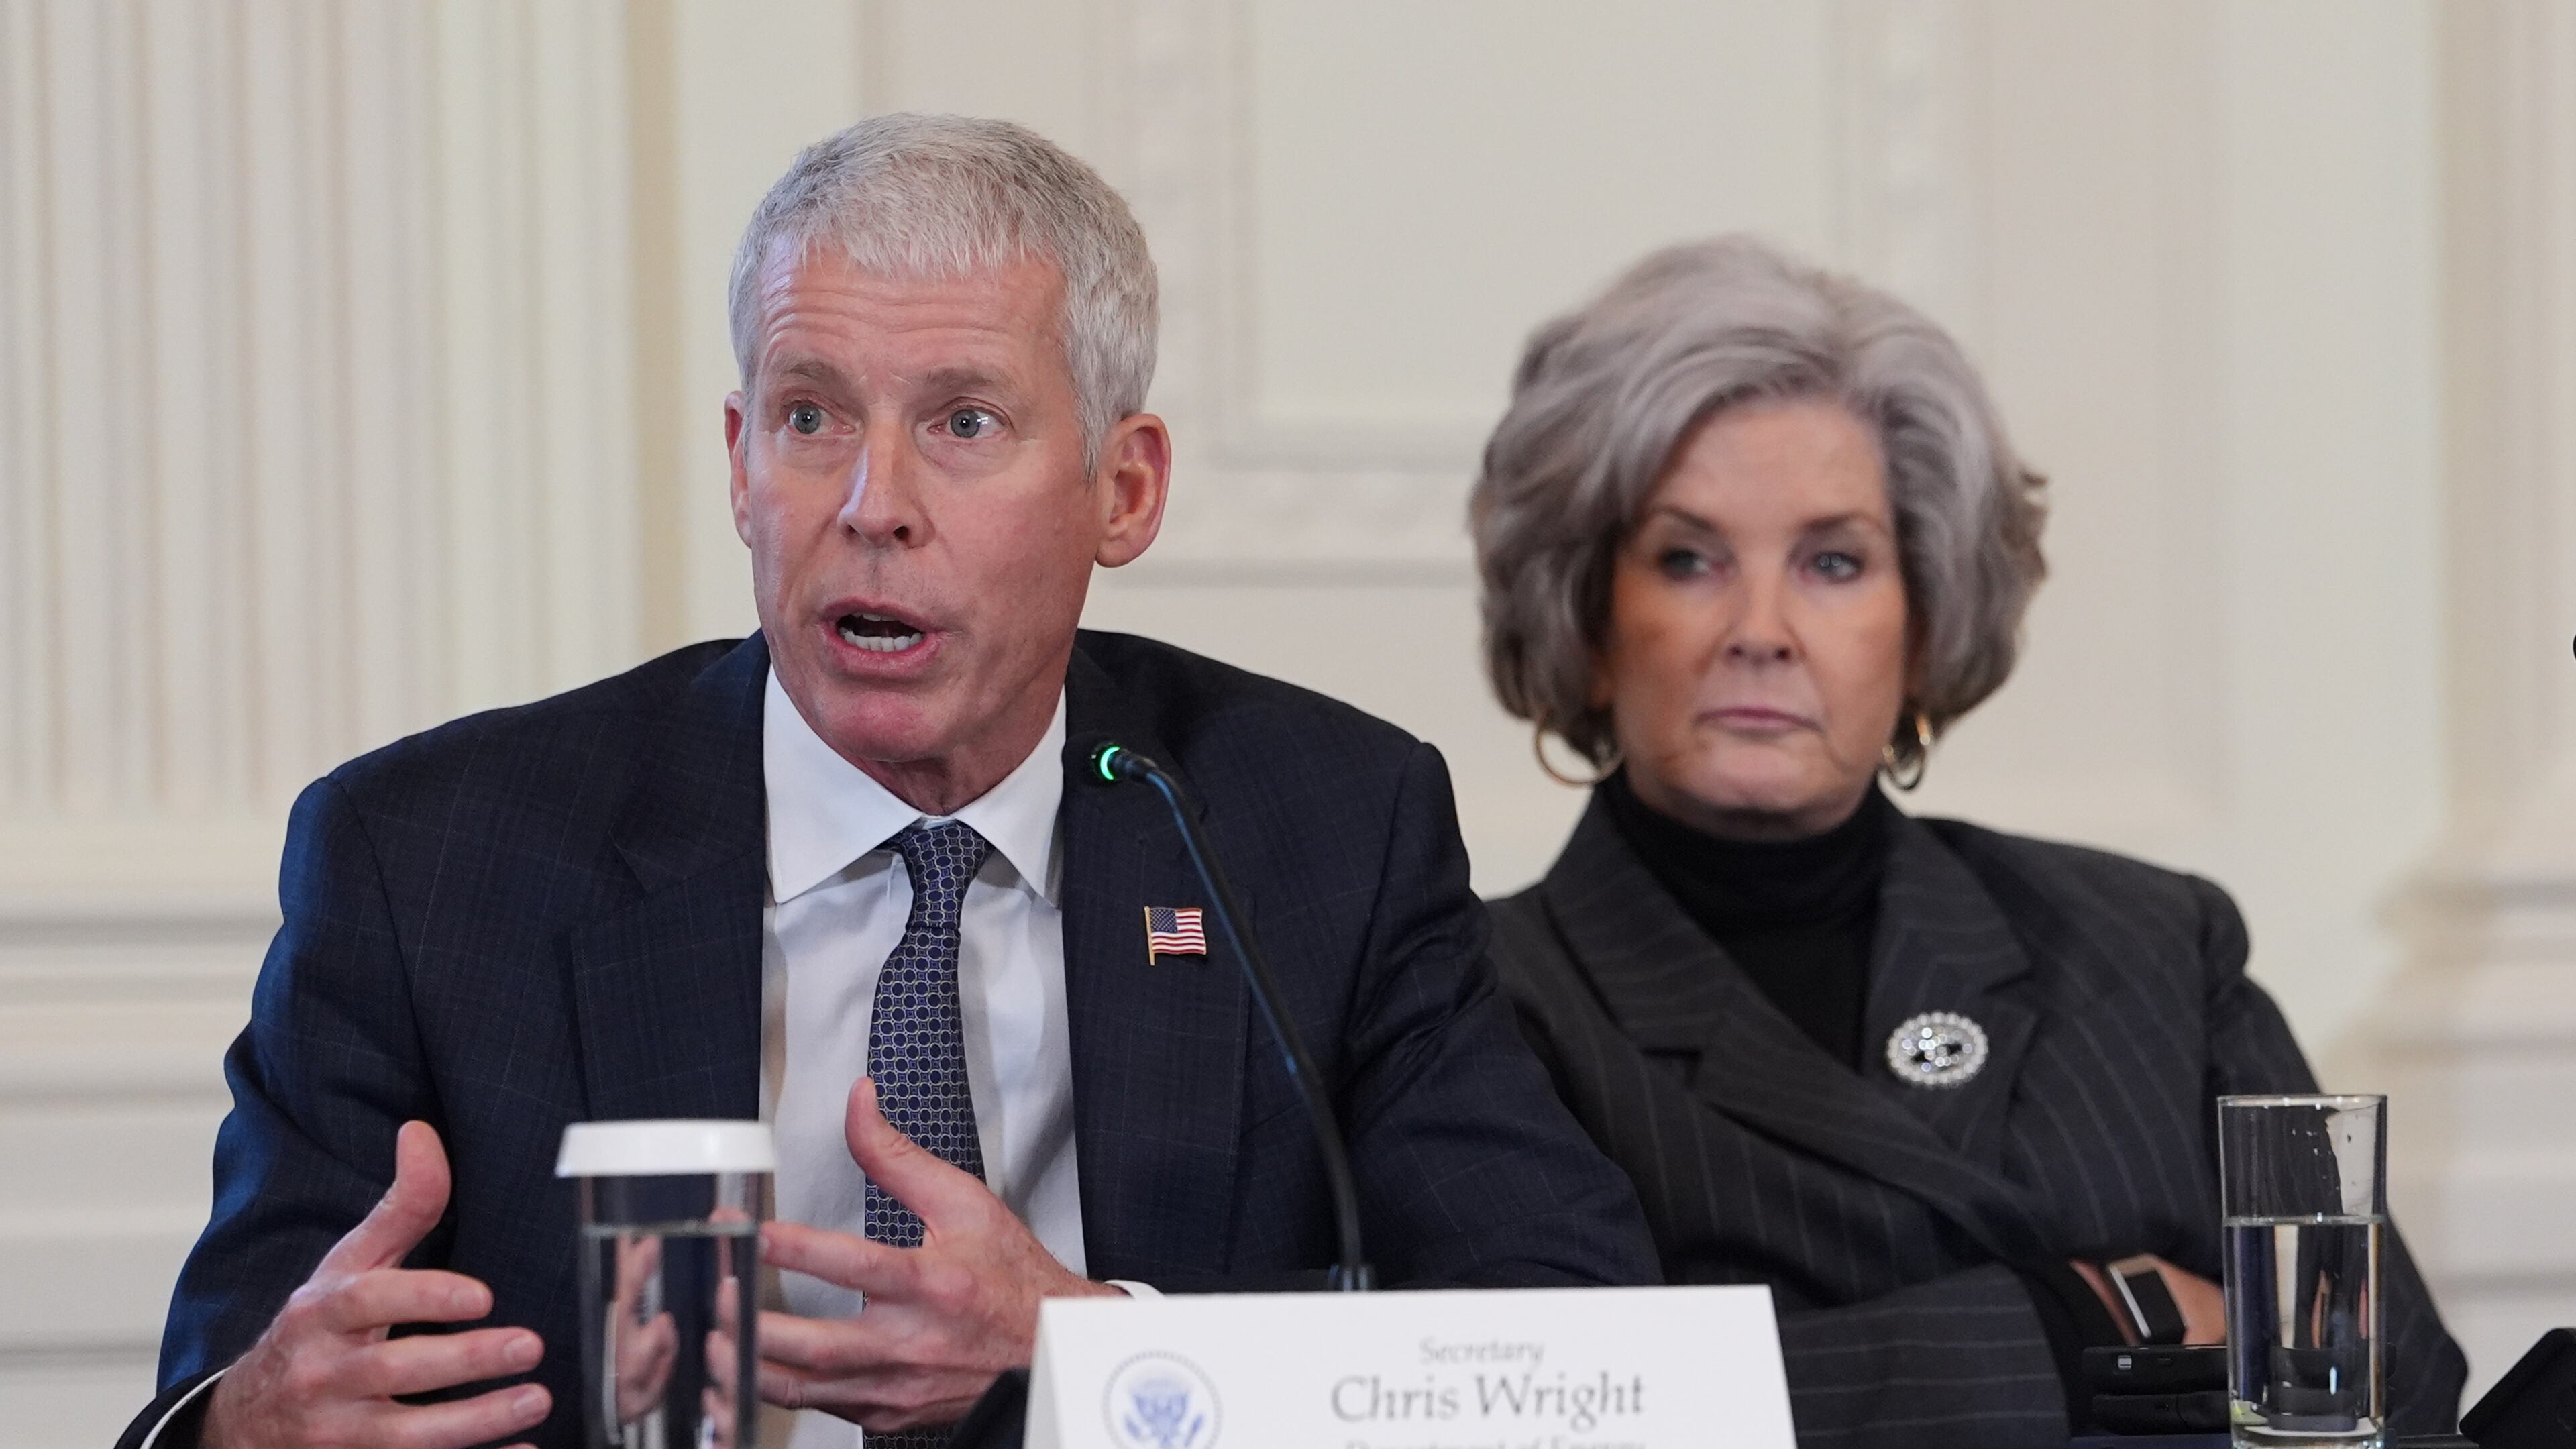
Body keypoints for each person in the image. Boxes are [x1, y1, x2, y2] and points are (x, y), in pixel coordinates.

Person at [121, 114, 1656, 1449]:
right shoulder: (432, 861)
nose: (871, 506)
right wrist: (248, 1424)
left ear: (1124, 489)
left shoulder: (1320, 825)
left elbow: (1574, 1357)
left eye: (963, 423)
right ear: (739, 464)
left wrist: (1096, 1360)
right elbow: (234, 1383)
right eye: (810, 417)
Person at [1469, 235, 2467, 1446]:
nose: (1763, 629)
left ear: (1928, 619)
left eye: (1835, 561)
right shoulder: (1478, 998)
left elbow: (2388, 1390)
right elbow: (1535, 1410)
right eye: (1689, 560)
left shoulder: (2155, 943)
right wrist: (2062, 1327)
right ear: (1585, 617)